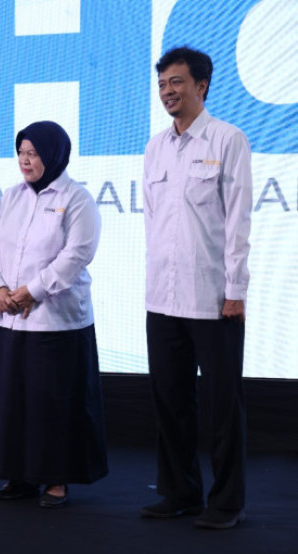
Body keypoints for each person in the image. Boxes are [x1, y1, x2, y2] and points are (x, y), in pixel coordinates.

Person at [140, 47, 252, 530]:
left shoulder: (229, 139)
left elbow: (237, 221)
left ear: (202, 86)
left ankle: (225, 502)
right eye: (163, 83)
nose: (168, 91)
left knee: (222, 407)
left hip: (213, 299)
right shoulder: (154, 147)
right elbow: (151, 220)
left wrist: (235, 289)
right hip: (162, 298)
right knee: (170, 402)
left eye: (177, 82)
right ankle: (180, 493)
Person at [0, 121, 107, 508]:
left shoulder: (77, 198)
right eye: (21, 153)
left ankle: (55, 480)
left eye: (33, 153)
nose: (25, 160)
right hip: (11, 319)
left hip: (56, 322)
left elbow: (77, 254)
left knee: (52, 403)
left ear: (53, 154)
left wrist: (32, 291)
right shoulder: (10, 197)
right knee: (12, 402)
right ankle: (19, 477)